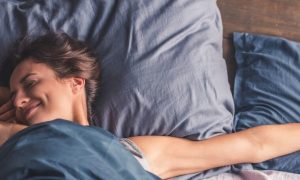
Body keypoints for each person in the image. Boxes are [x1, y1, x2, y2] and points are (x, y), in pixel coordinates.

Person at [1, 32, 300, 179]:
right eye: (13, 95)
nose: (19, 100)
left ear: (74, 82)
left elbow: (254, 144)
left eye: (29, 83)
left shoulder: (133, 152)